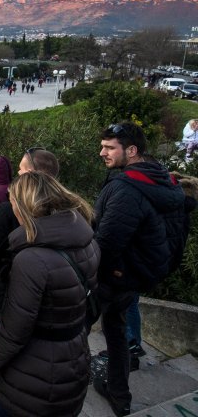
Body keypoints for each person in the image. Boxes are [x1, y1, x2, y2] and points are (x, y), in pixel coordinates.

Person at [0, 171, 100, 417]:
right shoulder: (87, 241)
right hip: (74, 361)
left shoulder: (31, 259)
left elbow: (14, 331)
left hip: (31, 377)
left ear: (24, 206)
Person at [91, 122, 185, 416]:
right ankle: (120, 396)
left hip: (111, 278)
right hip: (134, 278)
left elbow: (106, 242)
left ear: (131, 151)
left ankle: (57, 391)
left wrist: (92, 276)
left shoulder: (126, 189)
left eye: (109, 148)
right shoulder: (161, 179)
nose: (102, 152)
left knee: (70, 331)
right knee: (117, 333)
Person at [0, 148, 60, 331]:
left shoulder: (9, 211)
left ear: (30, 174)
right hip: (60, 302)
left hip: (15, 298)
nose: (17, 173)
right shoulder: (72, 211)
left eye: (21, 169)